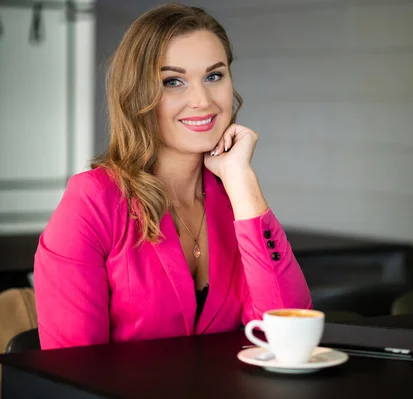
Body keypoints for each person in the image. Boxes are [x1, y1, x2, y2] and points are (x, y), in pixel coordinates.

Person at [33, 3, 312, 350]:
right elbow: (71, 369)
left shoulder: (235, 201)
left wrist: (241, 180)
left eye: (214, 76)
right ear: (138, 95)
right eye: (173, 81)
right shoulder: (94, 201)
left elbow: (289, 337)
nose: (202, 100)